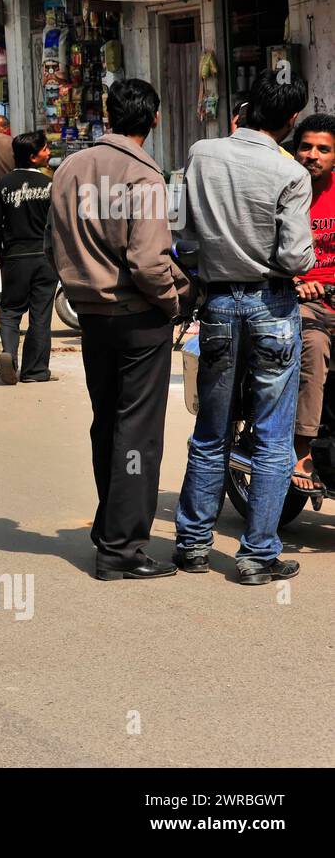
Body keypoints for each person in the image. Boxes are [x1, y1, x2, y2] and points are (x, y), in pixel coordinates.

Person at [175, 69, 313, 584]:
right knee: (273, 439)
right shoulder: (291, 173)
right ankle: (257, 555)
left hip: (216, 306)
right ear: (291, 120)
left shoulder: (202, 153)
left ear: (246, 106)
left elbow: (184, 232)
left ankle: (191, 545)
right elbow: (297, 257)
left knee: (211, 431)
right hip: (271, 308)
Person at [50, 78, 190, 581]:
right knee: (137, 435)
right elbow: (151, 262)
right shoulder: (144, 174)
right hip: (136, 317)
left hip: (91, 316)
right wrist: (173, 302)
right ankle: (121, 548)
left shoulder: (69, 167)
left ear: (109, 115)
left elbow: (53, 246)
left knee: (108, 422)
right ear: (153, 120)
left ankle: (109, 530)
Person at [0, 130, 54, 385]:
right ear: (33, 157)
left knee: (10, 309)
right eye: (45, 149)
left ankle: (9, 354)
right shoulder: (50, 185)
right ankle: (35, 371)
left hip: (15, 256)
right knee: (41, 314)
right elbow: (58, 224)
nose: (48, 152)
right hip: (45, 257)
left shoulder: (3, 184)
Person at [292, 114, 335, 492]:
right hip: (302, 302)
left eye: (323, 149)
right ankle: (302, 448)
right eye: (306, 146)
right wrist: (295, 281)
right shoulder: (284, 190)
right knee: (314, 345)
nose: (313, 155)